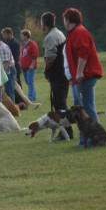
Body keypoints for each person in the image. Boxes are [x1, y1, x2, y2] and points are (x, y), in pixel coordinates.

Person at [63, 7, 104, 146]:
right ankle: (84, 140)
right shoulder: (73, 33)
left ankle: (95, 139)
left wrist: (79, 72)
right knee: (82, 108)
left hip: (85, 75)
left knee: (87, 108)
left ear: (68, 20)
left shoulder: (79, 32)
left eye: (64, 19)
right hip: (79, 77)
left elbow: (83, 52)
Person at [40, 12, 73, 140]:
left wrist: (45, 70)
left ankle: (67, 132)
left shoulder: (50, 37)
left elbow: (50, 58)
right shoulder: (59, 33)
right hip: (63, 74)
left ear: (44, 23)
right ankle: (66, 131)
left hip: (58, 75)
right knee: (60, 102)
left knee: (60, 104)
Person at [0, 33, 17, 102]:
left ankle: (12, 107)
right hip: (5, 71)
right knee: (7, 90)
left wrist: (2, 75)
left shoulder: (3, 48)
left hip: (8, 70)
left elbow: (6, 63)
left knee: (9, 90)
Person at [19, 30, 39, 101]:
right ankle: (34, 96)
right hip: (24, 67)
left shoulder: (32, 44)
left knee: (30, 82)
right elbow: (21, 55)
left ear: (26, 36)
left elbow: (35, 55)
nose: (21, 37)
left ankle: (30, 97)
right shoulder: (22, 45)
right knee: (28, 82)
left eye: (22, 35)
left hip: (30, 67)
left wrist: (32, 65)